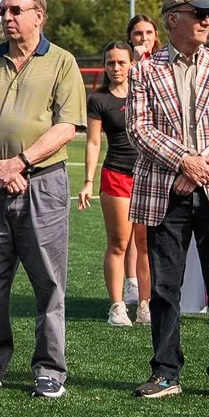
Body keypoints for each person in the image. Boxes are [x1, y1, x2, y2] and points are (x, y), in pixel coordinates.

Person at [0, 0, 87, 398]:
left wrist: (21, 162)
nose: (7, 17)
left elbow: (67, 126)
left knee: (49, 282)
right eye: (2, 10)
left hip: (43, 184)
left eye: (15, 10)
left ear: (39, 15)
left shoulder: (63, 63)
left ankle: (50, 369)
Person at [128, 0, 209, 401]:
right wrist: (184, 162)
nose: (207, 21)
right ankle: (165, 373)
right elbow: (139, 129)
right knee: (164, 287)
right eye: (198, 13)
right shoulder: (144, 71)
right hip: (165, 191)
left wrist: (201, 168)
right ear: (172, 19)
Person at [80, 38, 151, 328]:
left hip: (147, 177)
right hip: (116, 177)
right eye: (110, 63)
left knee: (146, 245)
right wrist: (87, 180)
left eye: (122, 62)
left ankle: (146, 305)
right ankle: (117, 306)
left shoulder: (145, 93)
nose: (116, 67)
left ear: (131, 64)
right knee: (119, 244)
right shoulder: (99, 99)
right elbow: (94, 142)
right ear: (104, 66)